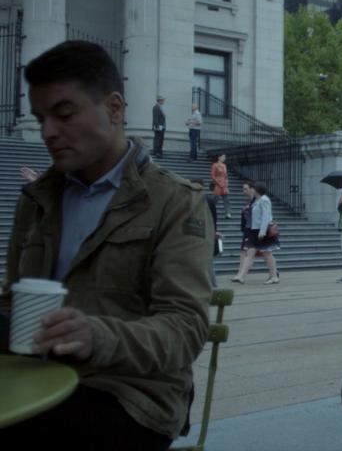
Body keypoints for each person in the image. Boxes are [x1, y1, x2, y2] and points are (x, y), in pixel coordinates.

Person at [0, 40, 213, 450]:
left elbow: (185, 329)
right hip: (34, 377)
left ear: (115, 108)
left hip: (131, 394)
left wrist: (96, 336)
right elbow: (14, 304)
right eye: (40, 117)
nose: (47, 132)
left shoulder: (174, 201)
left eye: (63, 114)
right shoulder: (37, 199)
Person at [230, 181, 280, 285]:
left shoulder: (264, 200)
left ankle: (274, 276)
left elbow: (266, 216)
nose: (251, 189)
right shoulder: (255, 200)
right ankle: (242, 277)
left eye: (253, 188)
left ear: (256, 190)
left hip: (262, 231)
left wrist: (262, 231)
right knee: (250, 254)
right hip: (254, 230)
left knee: (267, 254)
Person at [191, 177, 220, 287]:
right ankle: (212, 283)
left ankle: (206, 283)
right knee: (208, 260)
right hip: (207, 232)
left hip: (196, 232)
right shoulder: (209, 200)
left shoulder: (190, 199)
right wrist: (214, 231)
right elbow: (214, 219)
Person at [211, 154, 232, 218]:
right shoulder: (215, 165)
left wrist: (226, 183)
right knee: (215, 199)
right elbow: (213, 175)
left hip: (224, 184)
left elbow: (226, 175)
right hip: (218, 184)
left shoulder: (224, 165)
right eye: (223, 157)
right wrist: (218, 183)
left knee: (226, 199)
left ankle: (228, 213)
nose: (224, 158)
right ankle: (210, 211)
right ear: (219, 157)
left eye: (224, 157)